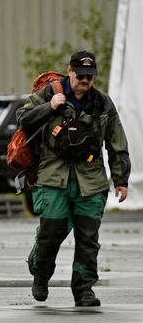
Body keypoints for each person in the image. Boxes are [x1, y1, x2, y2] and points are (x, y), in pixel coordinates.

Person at [16, 51, 130, 306]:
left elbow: (117, 142)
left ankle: (84, 289)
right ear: (70, 71)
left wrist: (121, 179)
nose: (85, 80)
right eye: (80, 75)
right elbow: (23, 120)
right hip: (53, 175)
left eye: (90, 76)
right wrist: (50, 106)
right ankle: (41, 274)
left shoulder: (102, 103)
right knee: (52, 231)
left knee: (88, 238)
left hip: (90, 179)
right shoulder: (49, 93)